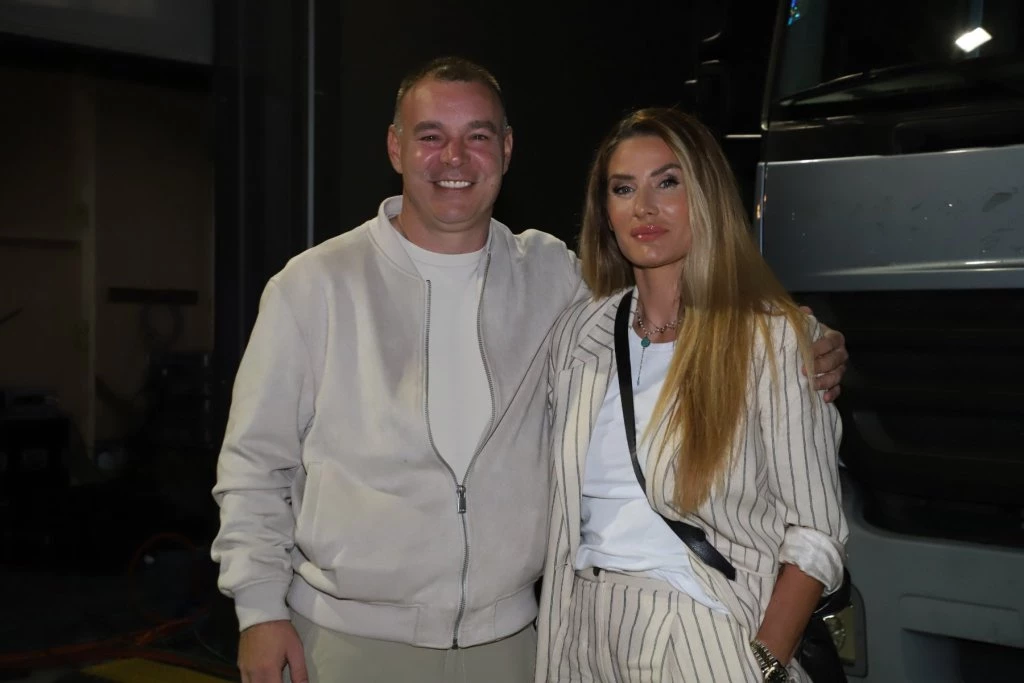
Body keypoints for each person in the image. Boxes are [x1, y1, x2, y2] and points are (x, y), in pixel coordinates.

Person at [211, 58, 848, 683]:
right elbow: (254, 466)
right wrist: (258, 609)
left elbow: (700, 319)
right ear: (395, 147)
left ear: (507, 149)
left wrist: (806, 338)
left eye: (477, 136)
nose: (454, 158)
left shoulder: (553, 280)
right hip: (348, 643)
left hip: (515, 647)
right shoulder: (315, 286)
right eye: (431, 136)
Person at [535, 108, 848, 683]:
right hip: (580, 627)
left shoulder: (771, 338)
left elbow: (816, 531)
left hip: (704, 628)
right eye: (623, 189)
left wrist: (765, 659)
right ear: (605, 212)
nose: (643, 207)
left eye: (667, 183)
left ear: (705, 196)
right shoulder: (580, 333)